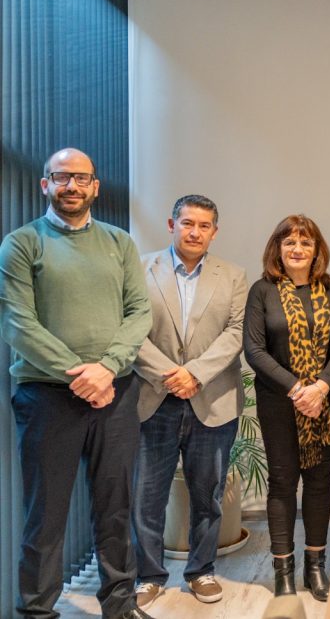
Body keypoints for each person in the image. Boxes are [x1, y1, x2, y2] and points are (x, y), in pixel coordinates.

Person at [0, 148, 153, 619]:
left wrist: (106, 368)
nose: (72, 186)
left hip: (116, 395)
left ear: (95, 187)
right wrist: (81, 374)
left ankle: (120, 605)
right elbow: (19, 324)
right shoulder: (22, 243)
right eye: (61, 177)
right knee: (45, 515)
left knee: (115, 508)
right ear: (45, 184)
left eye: (81, 178)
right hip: (47, 398)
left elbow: (139, 313)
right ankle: (38, 612)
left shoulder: (119, 243)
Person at [130, 194, 248, 609]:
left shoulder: (233, 276)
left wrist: (194, 373)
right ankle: (148, 576)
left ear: (214, 232)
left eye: (204, 225)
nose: (195, 232)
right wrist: (170, 374)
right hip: (154, 398)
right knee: (147, 496)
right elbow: (130, 329)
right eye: (187, 223)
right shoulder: (140, 268)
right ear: (172, 225)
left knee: (207, 494)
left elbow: (236, 333)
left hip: (212, 400)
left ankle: (201, 571)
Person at [243, 215, 330, 601]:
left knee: (319, 483)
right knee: (283, 484)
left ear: (317, 250)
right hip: (279, 403)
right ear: (278, 249)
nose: (298, 249)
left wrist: (321, 387)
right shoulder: (262, 291)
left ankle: (315, 567)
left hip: (323, 404)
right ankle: (283, 571)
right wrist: (298, 389)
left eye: (305, 242)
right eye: (290, 242)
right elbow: (254, 350)